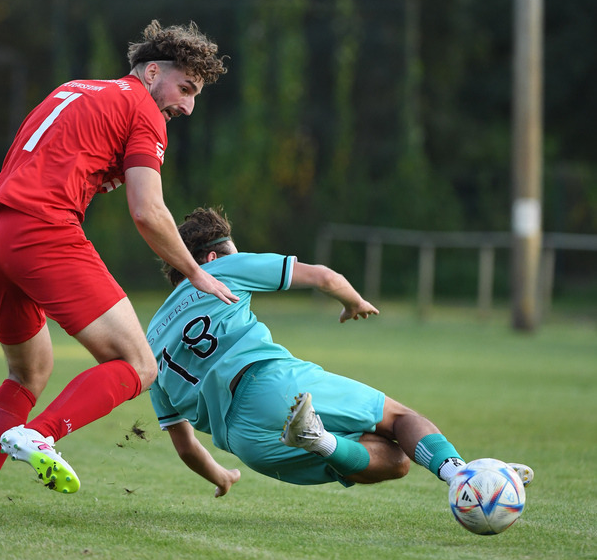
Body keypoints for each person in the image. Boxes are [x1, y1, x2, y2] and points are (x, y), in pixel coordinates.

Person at [0, 21, 238, 521]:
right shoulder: (144, 111)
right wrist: (195, 271)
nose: (187, 106)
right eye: (185, 88)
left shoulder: (74, 90)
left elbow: (28, 173)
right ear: (151, 72)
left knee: (28, 372)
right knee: (140, 364)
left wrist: (1, 272)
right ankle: (39, 435)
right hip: (39, 234)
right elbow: (148, 211)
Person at [144, 207, 533, 503]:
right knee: (400, 418)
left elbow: (184, 444)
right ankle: (464, 476)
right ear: (212, 260)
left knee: (394, 463)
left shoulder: (151, 341)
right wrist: (354, 301)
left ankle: (322, 441)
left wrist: (221, 476)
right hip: (269, 384)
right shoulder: (224, 268)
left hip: (246, 444)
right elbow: (324, 277)